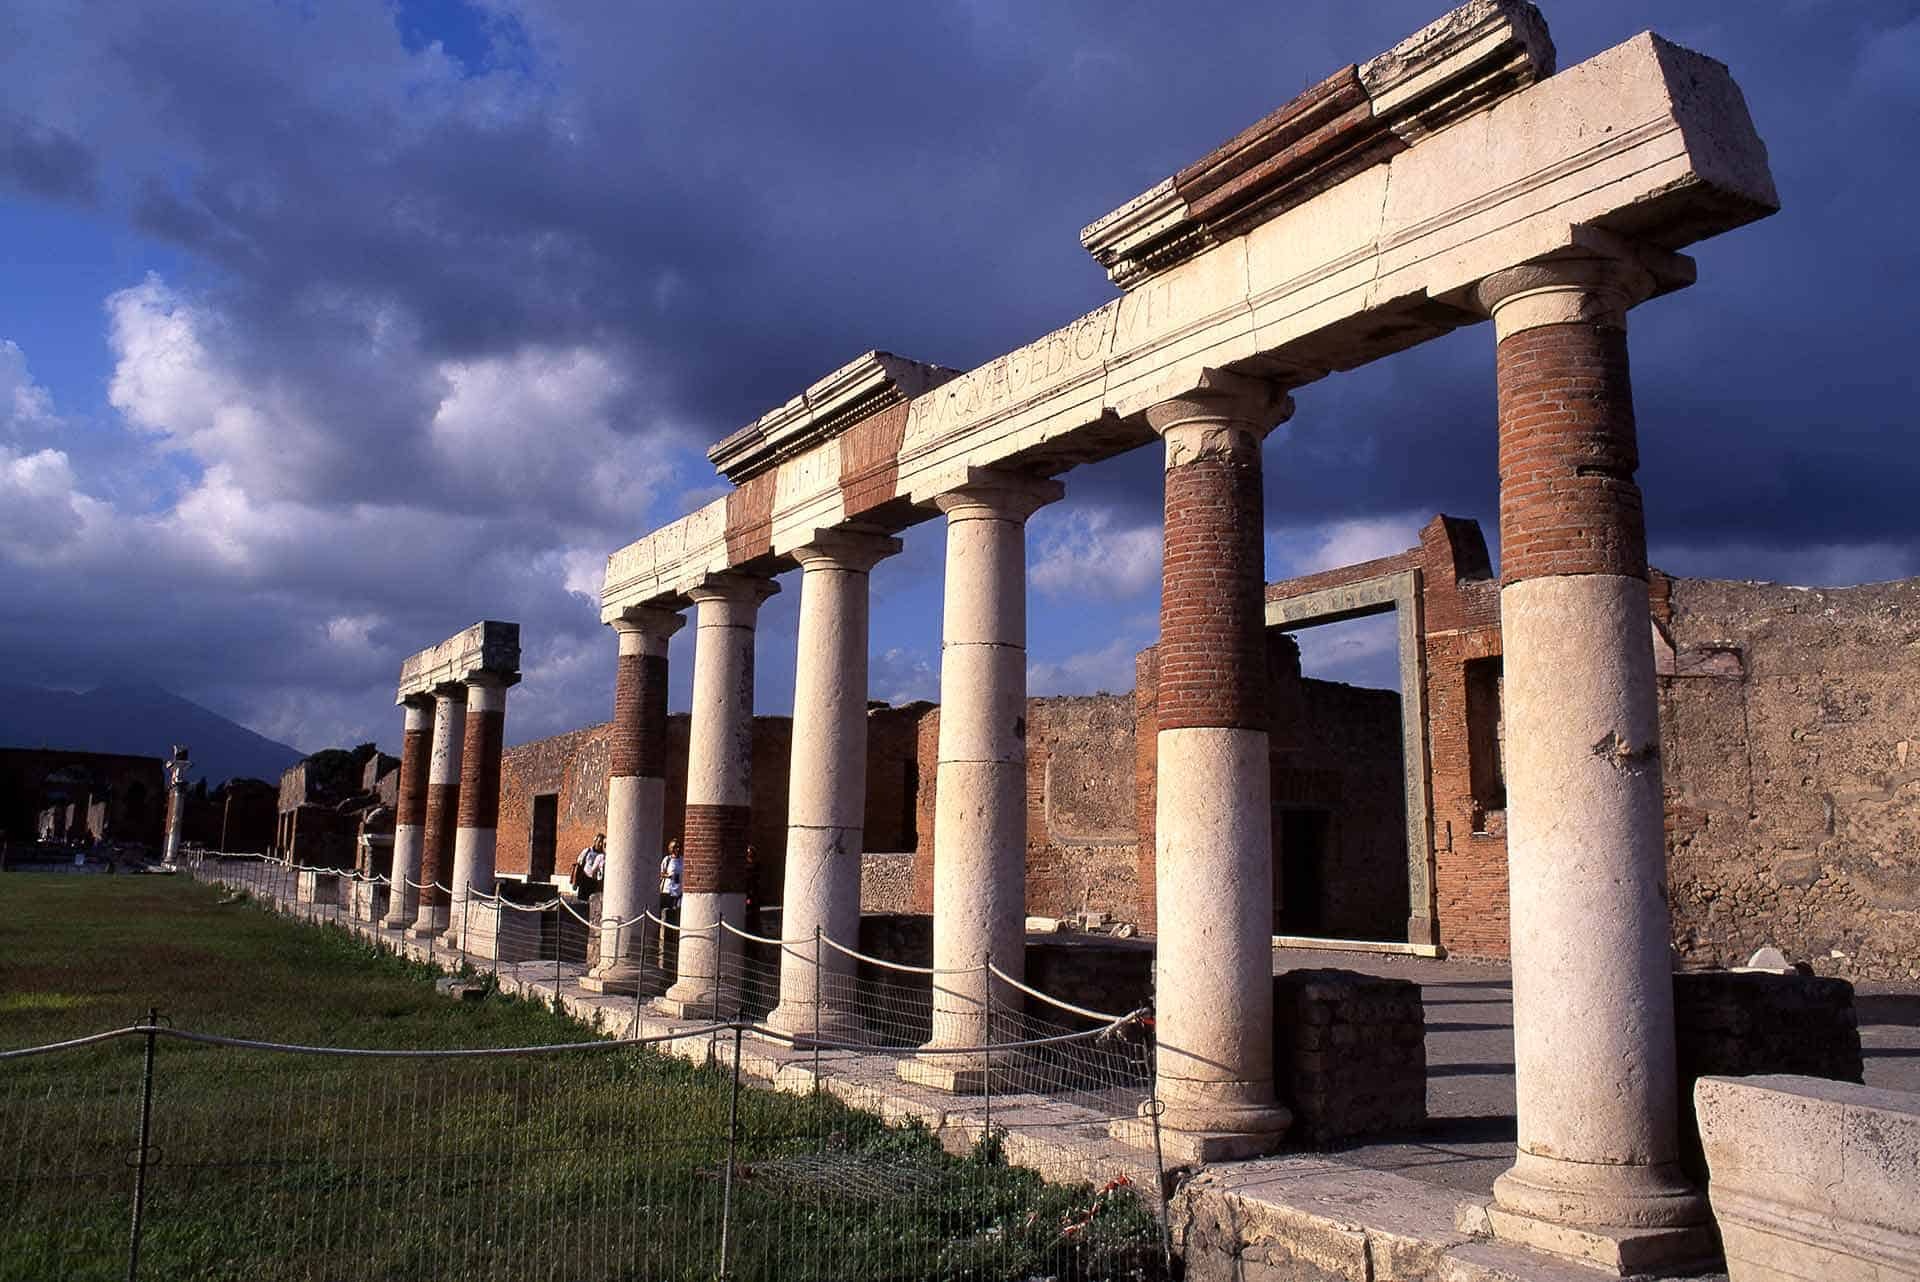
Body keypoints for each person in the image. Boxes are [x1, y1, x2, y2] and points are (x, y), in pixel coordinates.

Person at [571, 833, 606, 903]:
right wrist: (574, 882)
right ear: (595, 841)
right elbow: (578, 865)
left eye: (602, 843)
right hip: (584, 879)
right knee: (582, 900)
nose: (600, 844)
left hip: (595, 882)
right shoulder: (588, 851)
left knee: (592, 901)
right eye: (599, 842)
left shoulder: (603, 855)